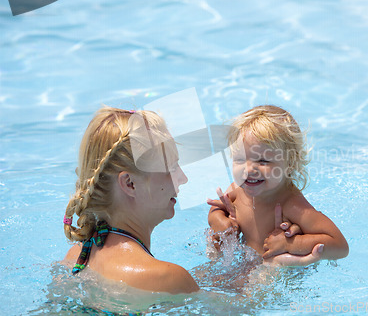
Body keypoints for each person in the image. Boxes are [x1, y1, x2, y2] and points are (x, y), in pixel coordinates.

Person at [62, 107, 199, 294]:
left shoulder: (75, 258)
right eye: (171, 169)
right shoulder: (168, 279)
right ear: (130, 183)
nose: (183, 178)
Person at [208, 105, 349, 265]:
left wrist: (292, 244)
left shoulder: (291, 205)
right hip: (242, 264)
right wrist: (218, 221)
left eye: (263, 161)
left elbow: (340, 246)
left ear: (290, 163)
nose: (248, 169)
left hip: (275, 274)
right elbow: (218, 207)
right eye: (240, 159)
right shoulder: (238, 189)